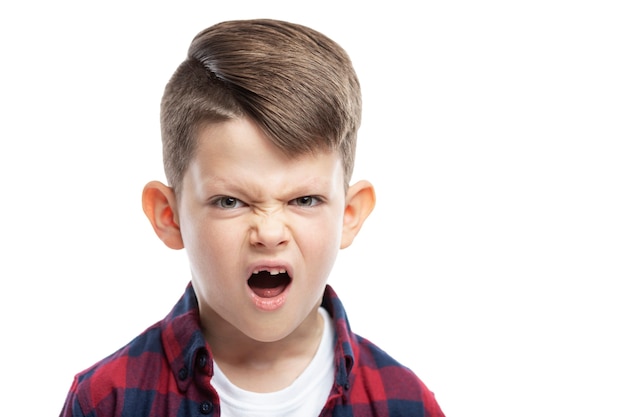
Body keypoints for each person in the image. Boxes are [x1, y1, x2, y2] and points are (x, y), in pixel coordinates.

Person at [60, 18, 445, 417]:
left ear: (349, 214)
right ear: (169, 216)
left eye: (305, 200)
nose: (270, 232)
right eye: (230, 202)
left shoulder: (407, 403)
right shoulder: (108, 401)